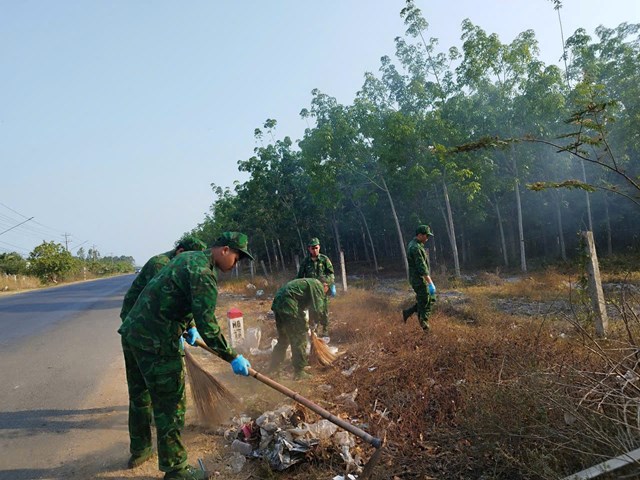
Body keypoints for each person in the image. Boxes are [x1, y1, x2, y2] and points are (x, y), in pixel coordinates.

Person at [118, 232, 254, 480]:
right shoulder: (204, 273)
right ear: (224, 250)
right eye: (237, 257)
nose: (237, 264)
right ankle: (176, 470)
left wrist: (187, 324)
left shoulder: (189, 258)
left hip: (133, 333)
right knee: (171, 404)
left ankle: (140, 450)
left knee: (140, 395)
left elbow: (176, 295)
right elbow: (209, 326)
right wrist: (232, 356)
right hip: (156, 341)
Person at [120, 235, 207, 322]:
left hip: (154, 313)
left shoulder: (181, 265)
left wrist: (191, 325)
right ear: (180, 251)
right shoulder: (160, 264)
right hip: (137, 315)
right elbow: (163, 298)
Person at [269, 277, 329, 380]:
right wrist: (321, 323)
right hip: (289, 304)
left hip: (278, 303)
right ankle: (299, 372)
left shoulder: (307, 283)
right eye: (328, 289)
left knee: (284, 339)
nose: (326, 292)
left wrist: (311, 322)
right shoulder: (318, 285)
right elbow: (319, 309)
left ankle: (274, 368)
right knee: (299, 338)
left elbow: (311, 306)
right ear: (325, 286)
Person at [296, 237, 335, 336]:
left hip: (322, 289)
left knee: (324, 309)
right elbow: (300, 276)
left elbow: (331, 274)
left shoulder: (324, 259)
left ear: (319, 247)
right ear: (309, 249)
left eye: (316, 248)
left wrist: (327, 284)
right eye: (312, 248)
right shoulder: (305, 262)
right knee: (313, 310)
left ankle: (325, 330)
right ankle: (315, 330)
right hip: (311, 290)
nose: (315, 250)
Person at [402, 225, 436, 333]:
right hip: (418, 279)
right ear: (420, 235)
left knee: (426, 299)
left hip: (417, 278)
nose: (427, 238)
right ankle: (425, 326)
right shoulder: (415, 248)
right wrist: (430, 283)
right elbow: (421, 267)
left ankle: (408, 312)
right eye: (426, 236)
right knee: (426, 300)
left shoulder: (417, 245)